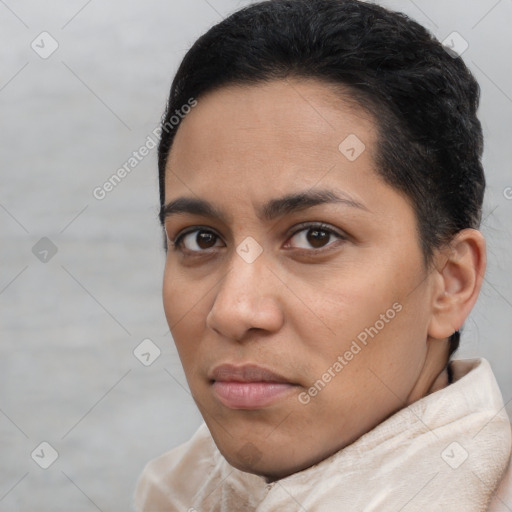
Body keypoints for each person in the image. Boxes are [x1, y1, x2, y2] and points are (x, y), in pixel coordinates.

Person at [134, 0, 512, 510]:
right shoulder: (172, 493)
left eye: (315, 237)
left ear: (451, 282)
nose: (233, 311)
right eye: (201, 239)